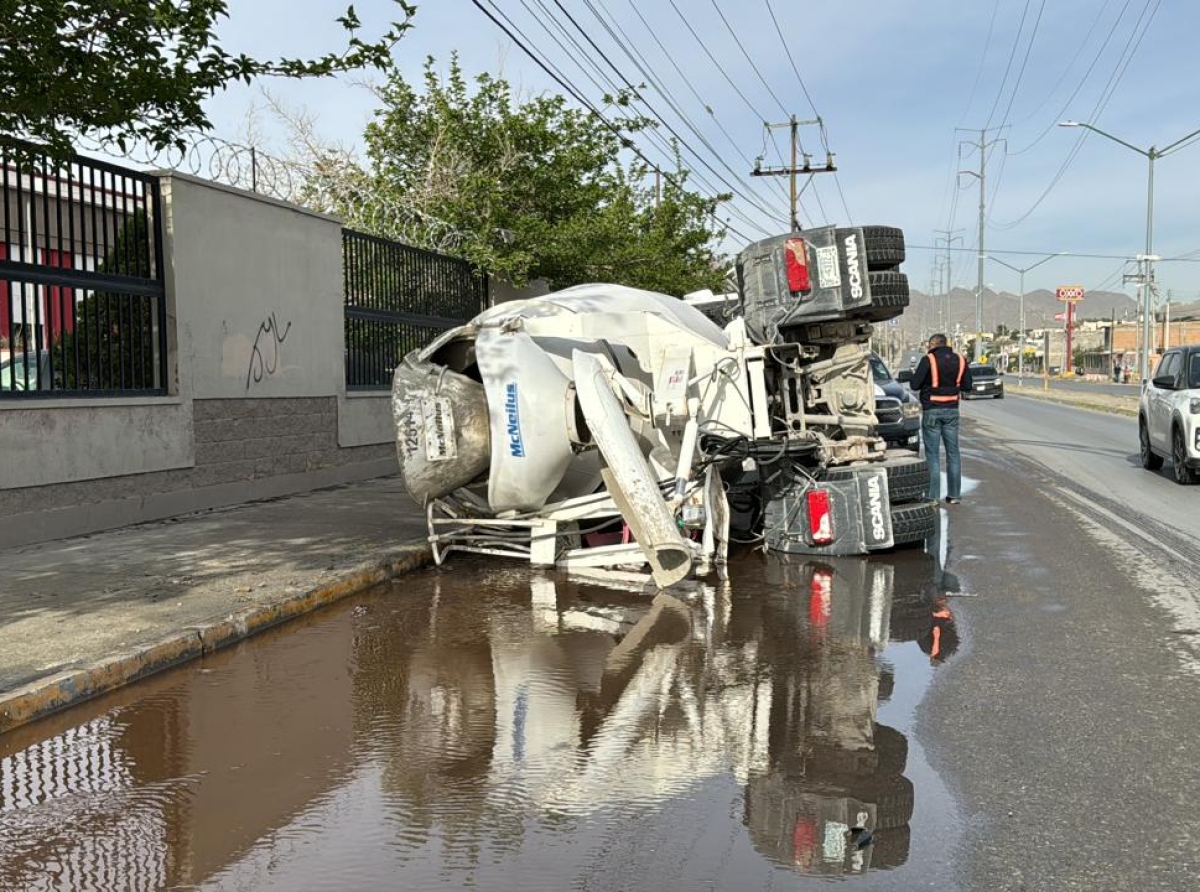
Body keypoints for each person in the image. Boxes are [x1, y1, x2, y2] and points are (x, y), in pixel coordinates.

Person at [908, 333, 972, 504]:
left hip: (932, 411)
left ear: (933, 344)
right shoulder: (960, 359)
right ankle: (954, 495)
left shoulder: (928, 359)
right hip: (952, 411)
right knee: (953, 453)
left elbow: (914, 384)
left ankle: (933, 496)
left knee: (933, 455)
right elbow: (967, 386)